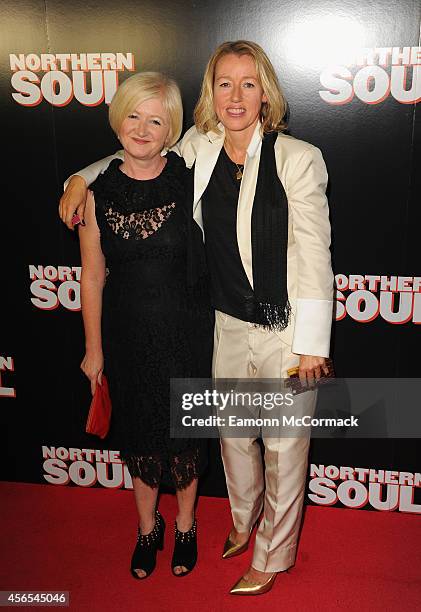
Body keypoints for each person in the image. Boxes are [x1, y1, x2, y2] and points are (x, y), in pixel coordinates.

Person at [60, 40, 333, 595]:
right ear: (211, 92)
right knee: (234, 442)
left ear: (266, 93)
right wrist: (79, 178)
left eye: (248, 84)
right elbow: (137, 151)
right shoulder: (200, 147)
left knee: (283, 449)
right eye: (224, 84)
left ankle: (271, 557)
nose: (235, 96)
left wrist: (313, 346)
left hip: (285, 329)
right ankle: (242, 519)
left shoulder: (299, 158)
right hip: (225, 324)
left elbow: (315, 256)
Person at [74, 71, 213, 580]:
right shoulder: (95, 193)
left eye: (156, 119)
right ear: (117, 120)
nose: (141, 127)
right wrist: (94, 350)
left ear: (172, 127)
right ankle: (146, 528)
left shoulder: (189, 175)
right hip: (129, 336)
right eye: (133, 115)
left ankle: (185, 526)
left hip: (187, 334)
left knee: (185, 438)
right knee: (140, 438)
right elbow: (91, 277)